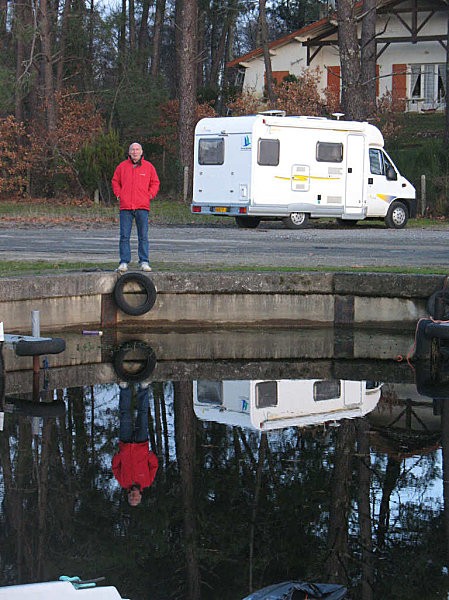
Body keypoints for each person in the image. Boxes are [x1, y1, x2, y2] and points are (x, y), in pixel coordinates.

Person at [112, 142, 160, 273]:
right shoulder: (122, 167)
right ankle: (123, 262)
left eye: (137, 149)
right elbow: (115, 181)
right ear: (129, 152)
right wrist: (119, 194)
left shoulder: (149, 167)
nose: (135, 152)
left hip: (142, 206)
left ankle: (144, 261)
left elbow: (155, 182)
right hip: (126, 207)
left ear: (141, 151)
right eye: (132, 149)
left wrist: (150, 194)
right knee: (124, 236)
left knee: (143, 236)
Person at [112, 382, 159, 506]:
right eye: (136, 498)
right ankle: (143, 387)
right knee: (142, 414)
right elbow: (154, 465)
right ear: (140, 496)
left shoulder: (123, 482)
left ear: (128, 495)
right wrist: (148, 454)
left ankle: (124, 388)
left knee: (125, 413)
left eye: (131, 498)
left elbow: (115, 467)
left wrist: (119, 455)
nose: (134, 496)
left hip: (125, 443)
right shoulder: (147, 481)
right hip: (141, 443)